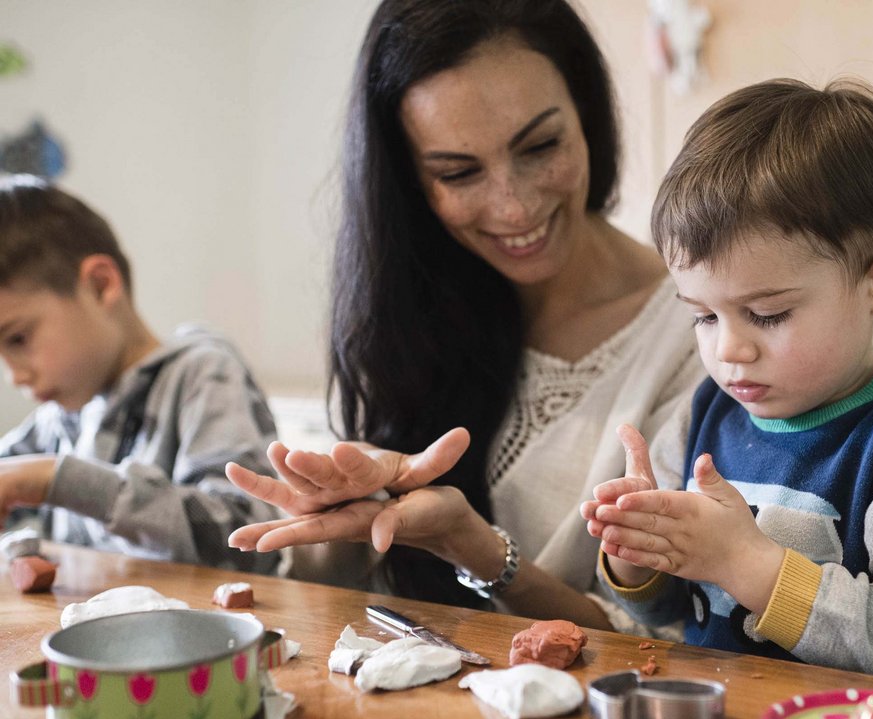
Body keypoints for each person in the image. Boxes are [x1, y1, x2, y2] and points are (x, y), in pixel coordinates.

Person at [226, 0, 705, 629]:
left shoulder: (702, 332)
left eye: (539, 146)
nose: (512, 207)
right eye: (458, 172)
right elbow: (352, 597)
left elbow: (665, 640)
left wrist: (473, 546)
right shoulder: (415, 313)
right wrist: (351, 512)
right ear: (412, 185)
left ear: (587, 115)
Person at [578, 79, 873, 687]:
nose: (728, 350)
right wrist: (638, 560)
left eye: (768, 314)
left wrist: (748, 563)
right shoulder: (706, 415)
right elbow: (670, 615)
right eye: (703, 315)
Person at [0, 174, 282, 574]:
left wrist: (59, 480)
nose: (14, 376)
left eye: (18, 338)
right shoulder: (62, 415)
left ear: (100, 286)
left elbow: (246, 535)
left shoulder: (202, 374)